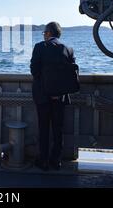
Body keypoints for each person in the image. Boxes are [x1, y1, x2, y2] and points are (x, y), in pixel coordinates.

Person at [30, 22, 76, 171]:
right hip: (60, 97)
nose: (43, 35)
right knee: (58, 129)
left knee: (43, 128)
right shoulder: (68, 49)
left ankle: (43, 161)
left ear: (48, 33)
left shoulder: (39, 47)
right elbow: (71, 74)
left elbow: (34, 71)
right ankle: (56, 161)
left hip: (43, 96)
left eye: (44, 33)